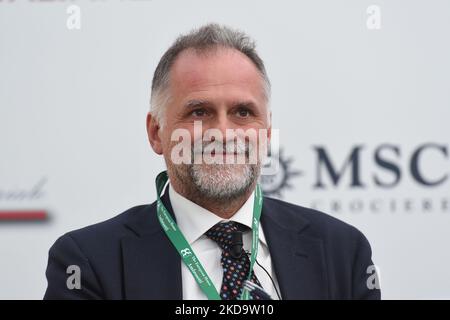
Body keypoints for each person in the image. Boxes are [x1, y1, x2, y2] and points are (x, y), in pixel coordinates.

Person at [44, 23, 381, 300]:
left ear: (265, 132)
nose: (223, 133)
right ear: (156, 132)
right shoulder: (87, 262)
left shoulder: (343, 253)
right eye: (199, 112)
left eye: (243, 112)